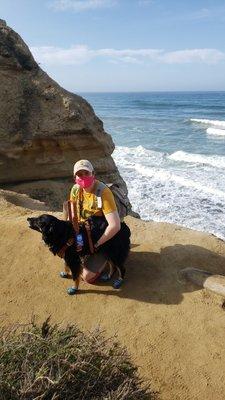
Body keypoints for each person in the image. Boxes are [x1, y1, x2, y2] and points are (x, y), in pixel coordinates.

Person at [63, 159, 121, 283]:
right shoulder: (75, 190)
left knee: (87, 276)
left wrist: (96, 245)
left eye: (86, 173)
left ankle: (107, 260)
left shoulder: (103, 192)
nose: (83, 177)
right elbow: (72, 215)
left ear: (93, 174)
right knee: (66, 255)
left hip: (100, 236)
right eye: (79, 174)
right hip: (83, 233)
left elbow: (115, 225)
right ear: (75, 177)